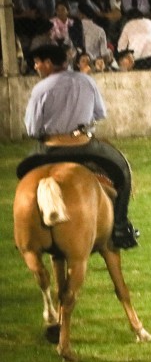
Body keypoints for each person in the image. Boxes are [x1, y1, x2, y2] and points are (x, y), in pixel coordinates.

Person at [16, 43, 140, 249]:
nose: (36, 67)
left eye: (37, 63)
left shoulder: (40, 89)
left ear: (48, 63)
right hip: (83, 144)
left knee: (23, 174)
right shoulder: (86, 81)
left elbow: (32, 128)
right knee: (123, 170)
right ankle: (119, 227)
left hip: (51, 147)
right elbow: (100, 114)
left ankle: (27, 228)